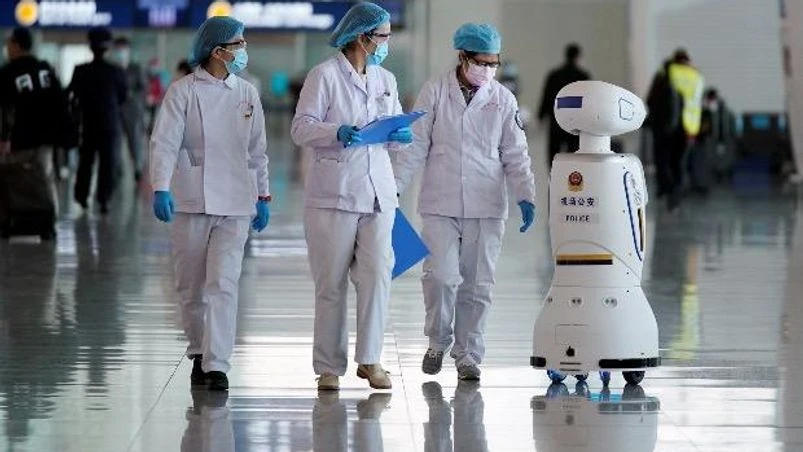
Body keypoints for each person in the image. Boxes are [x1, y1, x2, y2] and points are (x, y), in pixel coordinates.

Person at [394, 23, 536, 381]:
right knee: (440, 277)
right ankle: (437, 342)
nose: (487, 70)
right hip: (440, 202)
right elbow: (416, 146)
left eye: (493, 63)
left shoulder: (503, 99)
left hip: (487, 206)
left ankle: (468, 354)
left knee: (478, 284)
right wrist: (393, 187)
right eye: (481, 62)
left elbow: (515, 153)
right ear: (463, 57)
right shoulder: (435, 91)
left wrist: (526, 195)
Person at [291, 2, 411, 391]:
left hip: (378, 194)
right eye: (383, 37)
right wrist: (335, 132)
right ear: (362, 38)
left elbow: (390, 127)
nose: (386, 44)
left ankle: (371, 360)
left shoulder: (385, 79)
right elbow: (301, 128)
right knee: (331, 283)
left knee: (378, 277)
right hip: (334, 194)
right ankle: (328, 367)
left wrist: (399, 135)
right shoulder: (324, 76)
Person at [149, 16, 271, 391]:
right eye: (238, 44)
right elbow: (164, 142)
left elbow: (258, 152)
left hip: (236, 201)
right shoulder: (183, 91)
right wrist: (160, 186)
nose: (243, 50)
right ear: (218, 51)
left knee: (224, 283)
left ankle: (217, 363)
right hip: (191, 198)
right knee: (190, 287)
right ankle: (199, 350)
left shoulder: (247, 93)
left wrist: (263, 195)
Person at [0, 27, 72, 237]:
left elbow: (4, 110)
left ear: (16, 45)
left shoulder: (7, 73)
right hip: (47, 140)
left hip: (19, 139)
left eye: (8, 44)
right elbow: (61, 102)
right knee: (44, 178)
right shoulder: (45, 70)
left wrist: (4, 138)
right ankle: (47, 222)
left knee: (9, 178)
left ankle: (8, 222)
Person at [68, 27, 127, 214]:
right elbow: (122, 97)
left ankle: (81, 196)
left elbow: (71, 94)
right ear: (108, 47)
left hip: (88, 123)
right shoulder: (116, 71)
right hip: (109, 123)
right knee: (107, 163)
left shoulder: (81, 70)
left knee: (86, 161)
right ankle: (104, 199)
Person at [538, 43, 591, 167]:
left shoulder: (554, 75)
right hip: (576, 121)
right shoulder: (583, 76)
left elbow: (546, 96)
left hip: (556, 119)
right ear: (578, 56)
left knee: (554, 153)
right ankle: (571, 178)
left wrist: (541, 116)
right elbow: (588, 100)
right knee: (573, 153)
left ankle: (554, 176)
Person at [666, 49, 704, 208]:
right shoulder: (697, 76)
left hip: (673, 124)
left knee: (671, 161)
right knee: (682, 161)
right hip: (690, 126)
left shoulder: (671, 71)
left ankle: (673, 192)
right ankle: (680, 190)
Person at [645, 58, 682, 204]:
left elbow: (649, 100)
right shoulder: (676, 84)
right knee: (671, 160)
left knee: (660, 159)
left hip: (658, 128)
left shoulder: (658, 81)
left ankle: (663, 188)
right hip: (672, 129)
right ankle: (671, 188)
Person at [111, 36, 147, 183]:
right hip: (115, 111)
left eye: (123, 49)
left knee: (134, 142)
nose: (120, 52)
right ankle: (117, 170)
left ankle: (137, 168)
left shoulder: (136, 69)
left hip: (132, 111)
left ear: (128, 50)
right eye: (118, 49)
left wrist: (132, 94)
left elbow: (143, 88)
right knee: (116, 142)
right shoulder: (112, 70)